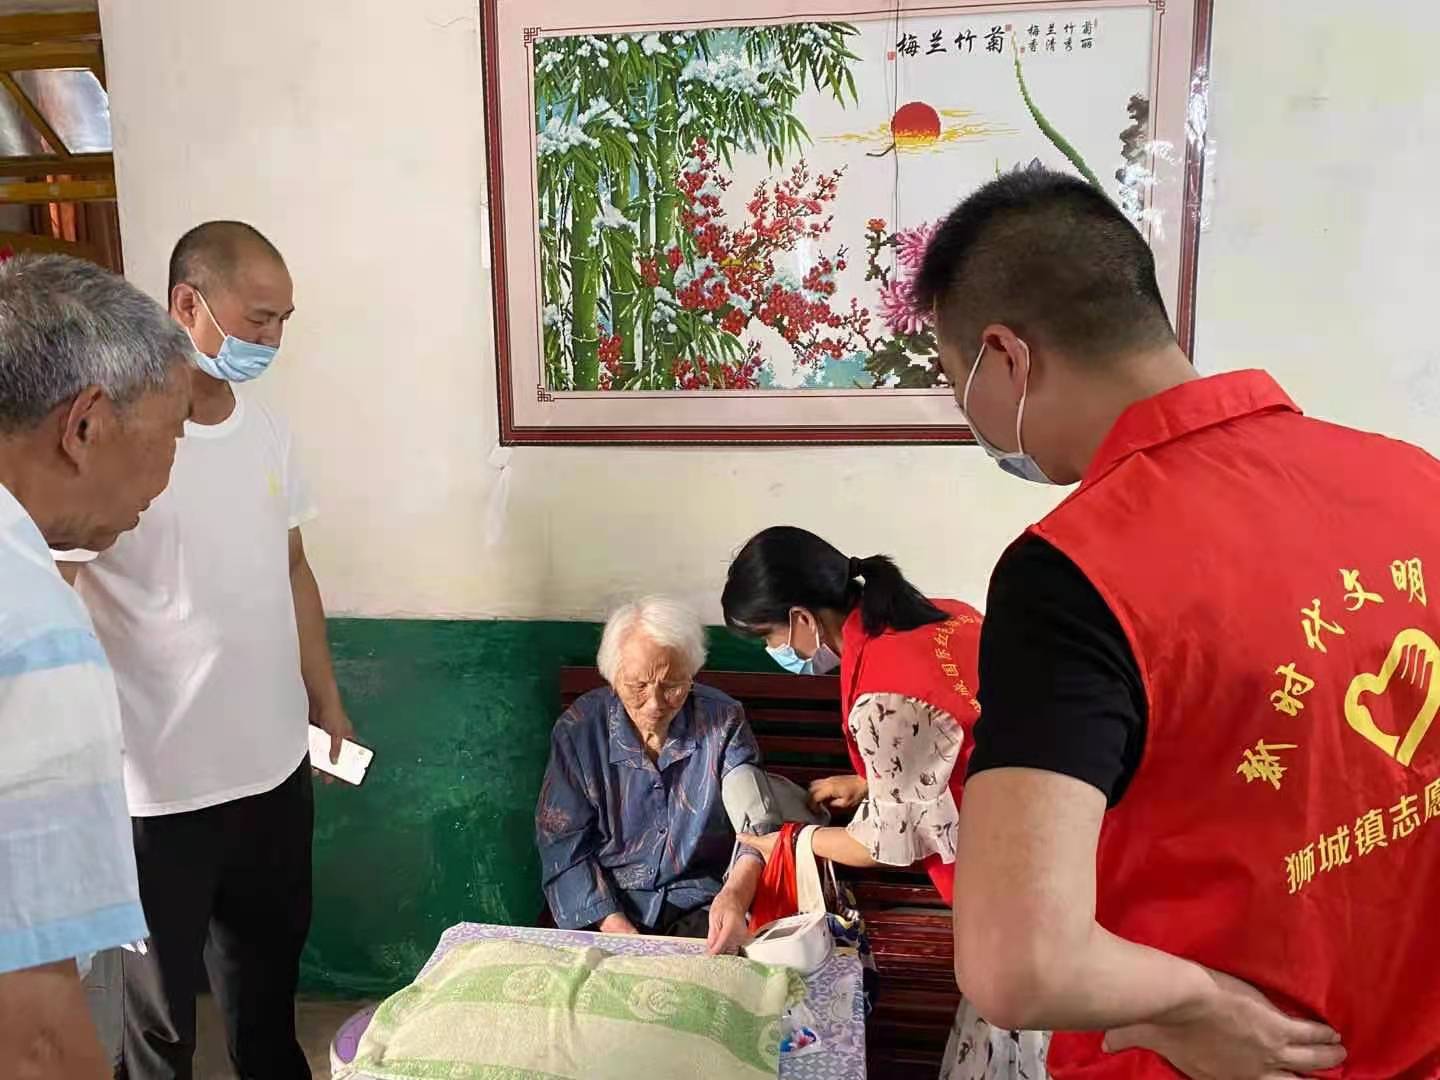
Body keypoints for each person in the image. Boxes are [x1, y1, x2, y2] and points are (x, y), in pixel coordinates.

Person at [910, 164, 1439, 1077]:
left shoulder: (1076, 570)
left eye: (960, 386)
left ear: (1007, 357)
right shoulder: (1414, 479)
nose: (973, 420)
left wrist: (1196, 1002)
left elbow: (1018, 963)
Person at [58, 222, 353, 1080]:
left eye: (284, 321)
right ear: (188, 304)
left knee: (266, 1004)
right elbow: (63, 586)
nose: (273, 340)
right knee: (160, 1029)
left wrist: (326, 699)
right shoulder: (112, 441)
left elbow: (293, 569)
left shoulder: (268, 434)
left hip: (272, 774)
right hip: (158, 791)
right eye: (258, 319)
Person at [722, 526, 1049, 1080]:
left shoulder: (884, 697)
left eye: (768, 637)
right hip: (1045, 832)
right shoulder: (948, 616)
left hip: (1011, 888)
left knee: (1025, 1042)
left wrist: (794, 841)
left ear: (802, 619)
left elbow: (883, 845)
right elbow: (958, 739)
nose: (774, 651)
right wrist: (871, 781)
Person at [0, 255, 191, 1077]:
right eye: (172, 431)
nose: (171, 471)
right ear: (84, 426)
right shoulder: (32, 626)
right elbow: (32, 1037)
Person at [536, 596, 764, 954]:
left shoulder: (724, 722)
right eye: (638, 686)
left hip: (703, 903)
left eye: (672, 684)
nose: (656, 703)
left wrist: (735, 896)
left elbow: (756, 829)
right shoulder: (579, 730)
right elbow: (562, 841)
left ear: (691, 673)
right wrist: (614, 925)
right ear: (614, 678)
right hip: (606, 905)